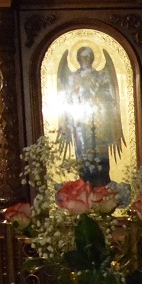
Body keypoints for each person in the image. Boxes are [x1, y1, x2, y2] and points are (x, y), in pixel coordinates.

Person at [56, 46, 123, 187]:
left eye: (88, 56)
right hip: (80, 125)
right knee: (83, 155)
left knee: (100, 153)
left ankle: (103, 183)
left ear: (92, 58)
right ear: (78, 59)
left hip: (99, 122)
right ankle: (84, 183)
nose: (86, 59)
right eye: (83, 57)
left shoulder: (101, 75)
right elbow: (68, 98)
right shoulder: (72, 77)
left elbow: (109, 97)